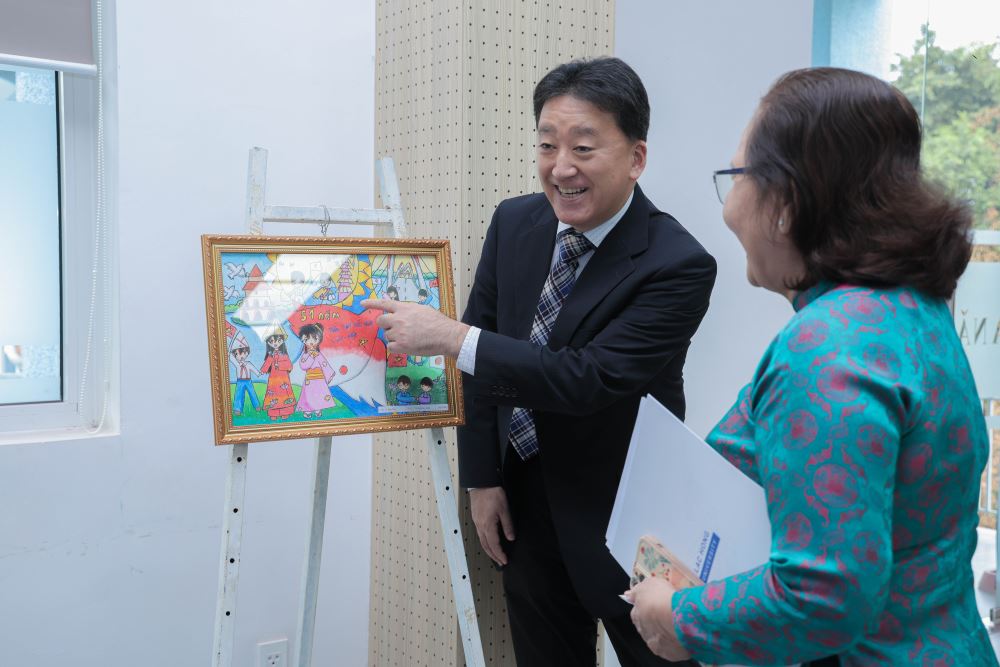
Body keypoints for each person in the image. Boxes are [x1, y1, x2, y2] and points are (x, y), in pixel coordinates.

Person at [626, 67, 998, 667]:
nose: (729, 212)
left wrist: (679, 617)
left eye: (737, 179)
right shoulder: (912, 309)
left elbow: (823, 596)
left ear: (786, 204)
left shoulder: (826, 348)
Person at [364, 57, 716, 667]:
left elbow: (586, 378)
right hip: (523, 505)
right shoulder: (515, 222)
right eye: (548, 145)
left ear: (636, 158)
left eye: (583, 147)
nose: (561, 168)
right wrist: (482, 478)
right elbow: (483, 361)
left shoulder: (677, 263)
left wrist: (451, 336)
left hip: (629, 515)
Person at [294, 323, 336, 419]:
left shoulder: (319, 354)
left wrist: (329, 375)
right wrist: (311, 357)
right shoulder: (305, 355)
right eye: (307, 339)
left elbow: (325, 365)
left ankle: (318, 409)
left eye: (314, 338)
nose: (311, 342)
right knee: (308, 395)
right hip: (309, 380)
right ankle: (308, 410)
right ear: (304, 341)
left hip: (320, 379)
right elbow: (304, 366)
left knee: (319, 394)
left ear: (319, 339)